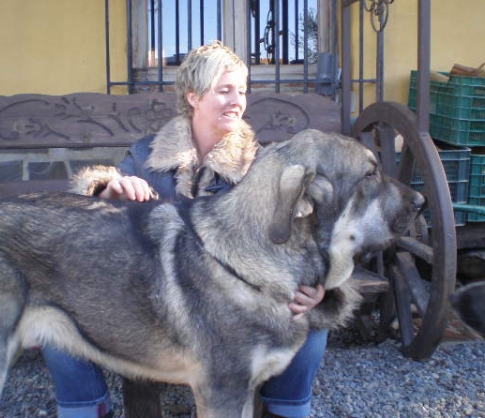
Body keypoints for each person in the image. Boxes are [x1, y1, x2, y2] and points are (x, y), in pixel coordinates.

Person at [43, 40, 328, 418]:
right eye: (224, 90)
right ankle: (87, 409)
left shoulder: (262, 166)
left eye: (242, 91)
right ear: (193, 96)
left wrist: (316, 286)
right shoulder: (147, 156)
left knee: (308, 322)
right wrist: (108, 191)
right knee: (56, 317)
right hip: (154, 302)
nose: (237, 101)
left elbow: (299, 237)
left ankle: (285, 410)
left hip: (233, 308)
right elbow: (98, 226)